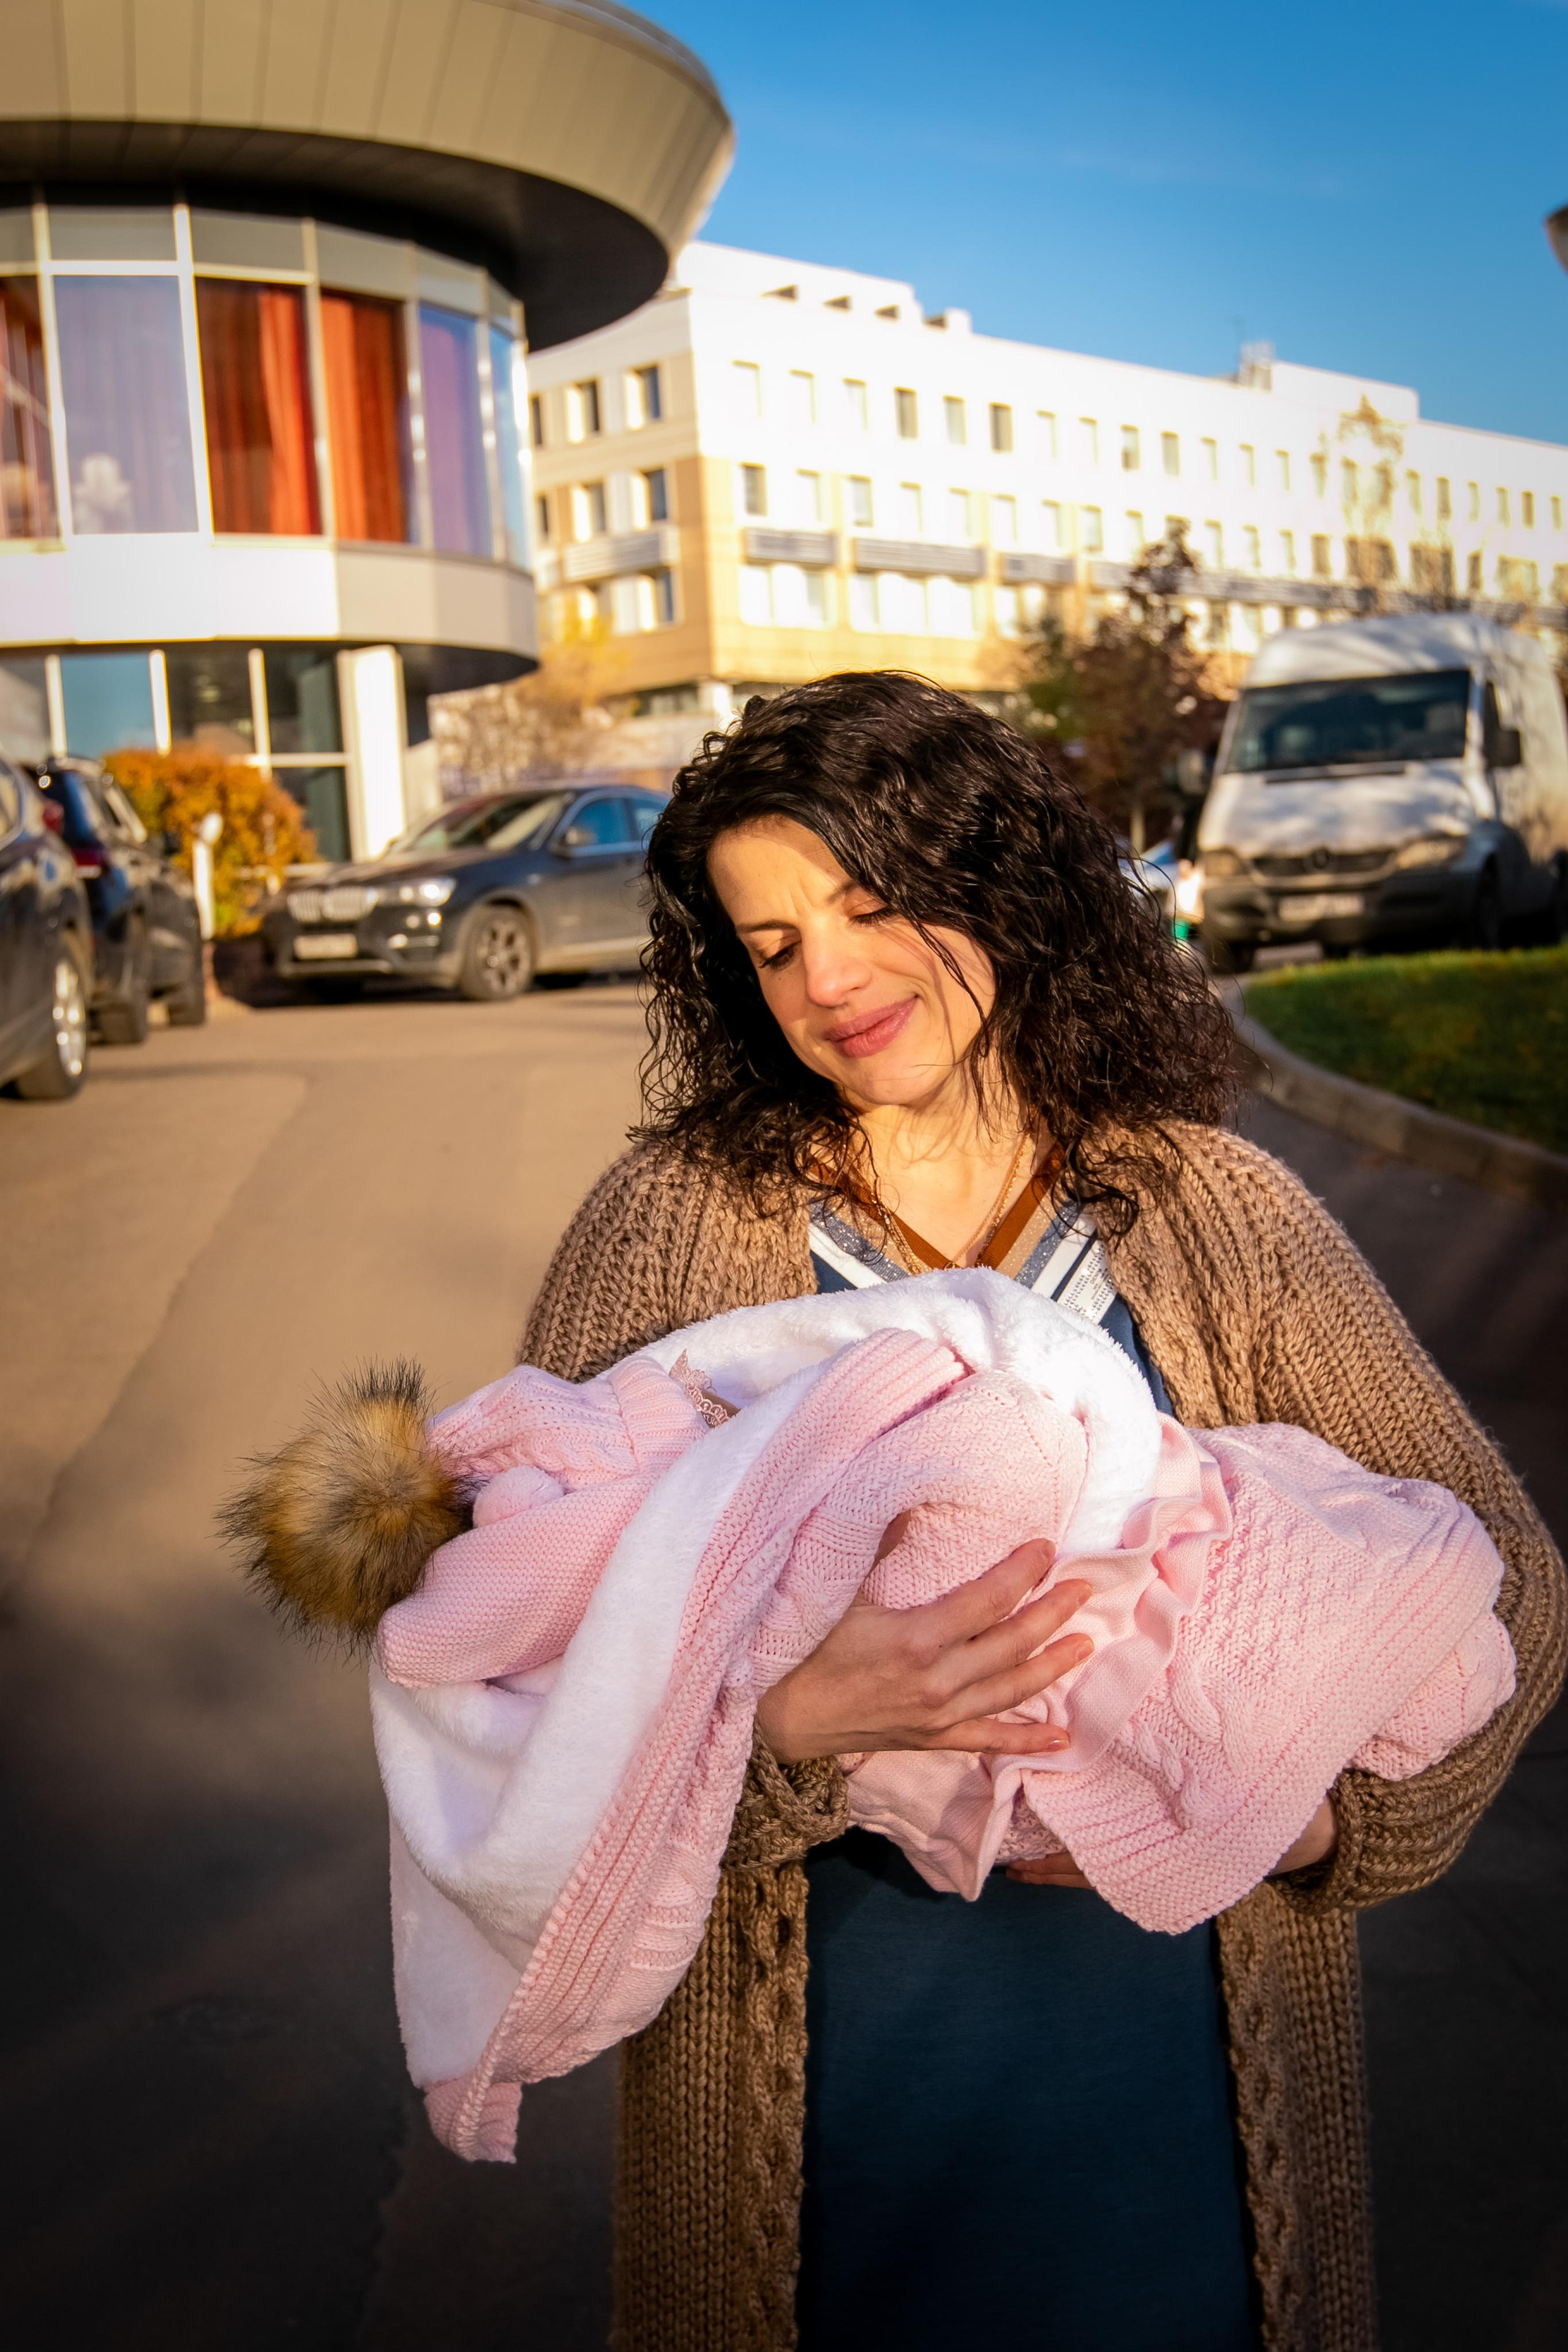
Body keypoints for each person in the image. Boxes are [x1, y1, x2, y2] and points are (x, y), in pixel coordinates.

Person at [519, 671, 1564, 2352]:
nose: (830, 978)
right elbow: (517, 1689)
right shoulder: (674, 1229)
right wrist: (788, 1729)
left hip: (1191, 2162)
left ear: (1000, 885)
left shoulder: (1217, 1211)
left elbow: (1505, 1573)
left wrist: (1314, 1828)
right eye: (773, 943)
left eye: (869, 903)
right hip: (823, 2170)